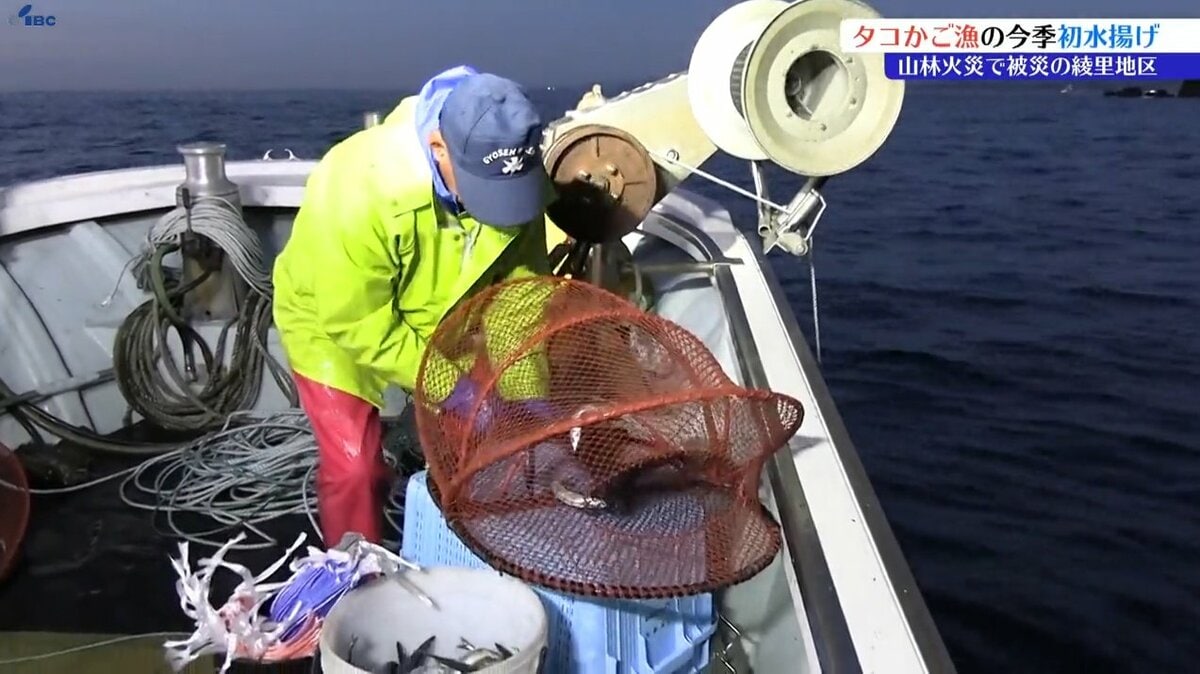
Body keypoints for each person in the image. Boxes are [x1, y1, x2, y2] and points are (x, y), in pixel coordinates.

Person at [272, 65, 562, 546]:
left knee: (489, 439)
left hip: (444, 316)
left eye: (508, 193)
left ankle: (464, 549)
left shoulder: (514, 176)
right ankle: (356, 566)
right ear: (438, 148)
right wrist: (458, 390)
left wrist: (526, 399)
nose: (500, 208)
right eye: (483, 189)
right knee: (355, 468)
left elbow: (520, 298)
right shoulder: (358, 186)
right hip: (335, 320)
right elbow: (356, 321)